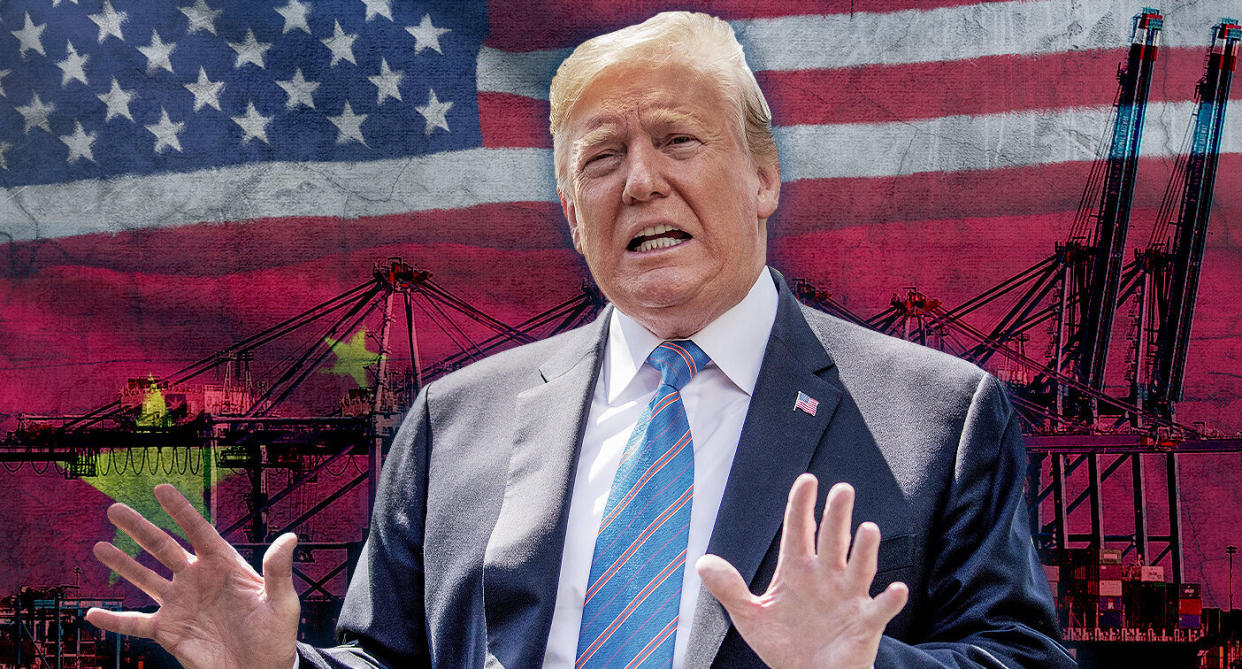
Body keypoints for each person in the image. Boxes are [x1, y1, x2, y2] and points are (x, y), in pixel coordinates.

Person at [87, 12, 1074, 669]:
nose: (640, 182)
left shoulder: (937, 417)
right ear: (570, 207)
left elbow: (1022, 660)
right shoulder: (453, 420)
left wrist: (859, 665)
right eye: (602, 159)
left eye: (678, 141)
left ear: (765, 176)